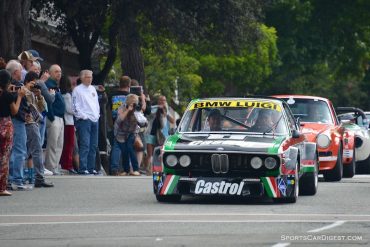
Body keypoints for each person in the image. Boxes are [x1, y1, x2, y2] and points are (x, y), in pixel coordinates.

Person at [23, 72, 53, 187]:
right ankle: (33, 177)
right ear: (27, 82)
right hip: (26, 123)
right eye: (33, 84)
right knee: (27, 152)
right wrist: (27, 90)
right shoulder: (22, 91)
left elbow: (43, 110)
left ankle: (38, 178)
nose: (34, 86)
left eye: (36, 84)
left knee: (35, 151)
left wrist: (39, 95)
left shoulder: (35, 94)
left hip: (34, 123)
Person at [6, 60, 32, 190]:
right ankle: (17, 179)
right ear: (16, 72)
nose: (22, 73)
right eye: (21, 70)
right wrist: (22, 94)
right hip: (17, 120)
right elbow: (20, 104)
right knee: (20, 150)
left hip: (9, 120)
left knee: (10, 150)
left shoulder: (6, 86)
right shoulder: (18, 86)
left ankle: (9, 179)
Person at [0, 69, 25, 196]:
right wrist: (19, 96)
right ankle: (2, 187)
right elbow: (14, 111)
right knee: (4, 156)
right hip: (5, 124)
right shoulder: (7, 95)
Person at [72, 70, 100, 175]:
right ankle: (83, 168)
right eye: (88, 77)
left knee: (93, 145)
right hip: (84, 120)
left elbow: (96, 103)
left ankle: (91, 167)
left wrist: (97, 115)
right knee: (85, 144)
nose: (90, 79)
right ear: (82, 77)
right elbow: (75, 106)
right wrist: (83, 116)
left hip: (94, 119)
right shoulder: (77, 90)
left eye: (91, 77)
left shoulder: (93, 89)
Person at [113, 94, 146, 176]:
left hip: (132, 132)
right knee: (124, 151)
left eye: (135, 103)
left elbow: (143, 123)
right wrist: (128, 110)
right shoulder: (122, 108)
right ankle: (126, 170)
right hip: (120, 133)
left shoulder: (137, 110)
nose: (134, 104)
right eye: (132, 103)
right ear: (127, 102)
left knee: (130, 148)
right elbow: (120, 120)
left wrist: (137, 113)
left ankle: (136, 169)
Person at [144, 95, 175, 175]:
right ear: (158, 101)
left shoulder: (167, 110)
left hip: (162, 136)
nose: (162, 102)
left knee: (162, 153)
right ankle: (149, 171)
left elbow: (172, 121)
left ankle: (162, 170)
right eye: (160, 100)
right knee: (150, 154)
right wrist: (158, 109)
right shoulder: (154, 108)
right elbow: (148, 115)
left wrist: (165, 112)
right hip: (151, 133)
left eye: (164, 100)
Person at [107, 75, 131, 175]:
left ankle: (114, 168)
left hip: (115, 122)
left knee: (116, 146)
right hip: (128, 123)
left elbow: (108, 109)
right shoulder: (131, 96)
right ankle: (126, 168)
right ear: (129, 84)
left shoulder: (112, 95)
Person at [44, 64, 65, 175]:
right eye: (56, 71)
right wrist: (51, 116)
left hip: (60, 118)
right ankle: (50, 167)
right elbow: (48, 102)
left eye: (60, 71)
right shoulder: (49, 84)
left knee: (59, 144)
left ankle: (55, 166)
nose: (59, 74)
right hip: (54, 118)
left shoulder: (56, 85)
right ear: (50, 73)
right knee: (52, 144)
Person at [59, 75, 77, 174]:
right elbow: (70, 109)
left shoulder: (61, 94)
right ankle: (68, 164)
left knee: (64, 144)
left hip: (64, 122)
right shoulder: (68, 95)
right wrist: (77, 110)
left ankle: (64, 163)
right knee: (69, 145)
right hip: (69, 122)